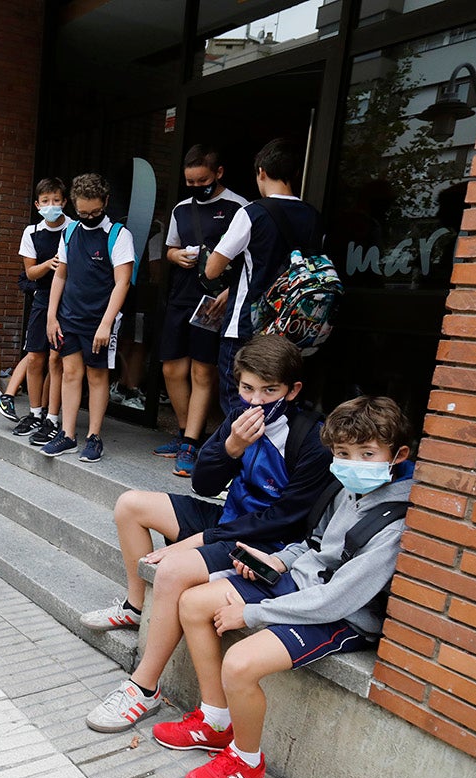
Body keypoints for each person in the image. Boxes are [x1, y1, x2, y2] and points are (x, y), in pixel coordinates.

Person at [155, 396, 413, 778]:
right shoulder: (346, 489)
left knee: (240, 664)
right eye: (344, 453)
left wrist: (254, 612)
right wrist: (276, 560)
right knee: (192, 603)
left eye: (367, 453)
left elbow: (338, 599)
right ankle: (215, 719)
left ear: (397, 455)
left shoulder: (396, 521)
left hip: (343, 615)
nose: (354, 463)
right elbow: (314, 545)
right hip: (302, 584)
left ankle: (246, 761)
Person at [81, 335, 333, 733]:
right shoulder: (238, 418)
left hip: (265, 542)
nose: (257, 400)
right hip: (228, 518)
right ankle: (135, 607)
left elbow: (284, 521)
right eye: (248, 389)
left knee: (174, 569)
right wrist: (230, 446)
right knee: (130, 505)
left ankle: (144, 688)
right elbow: (201, 482)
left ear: (292, 390)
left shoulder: (311, 441)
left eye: (270, 391)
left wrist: (199, 540)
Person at [205, 138, 322, 414]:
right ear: (294, 174)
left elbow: (212, 269)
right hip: (291, 327)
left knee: (240, 404)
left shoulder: (252, 213)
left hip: (247, 326)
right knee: (276, 406)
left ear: (261, 173)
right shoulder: (313, 216)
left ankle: (241, 457)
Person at [159, 145, 248, 477]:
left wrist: (230, 291)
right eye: (190, 181)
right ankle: (184, 432)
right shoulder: (182, 209)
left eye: (202, 180)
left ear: (219, 173)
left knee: (202, 371)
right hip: (181, 295)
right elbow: (169, 247)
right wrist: (175, 257)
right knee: (171, 368)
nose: (196, 186)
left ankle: (191, 443)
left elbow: (248, 261)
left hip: (214, 299)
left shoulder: (239, 207)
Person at [43, 173, 135, 463]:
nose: (89, 217)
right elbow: (60, 274)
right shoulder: (69, 232)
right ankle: (68, 435)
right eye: (83, 213)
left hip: (99, 320)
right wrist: (51, 316)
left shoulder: (119, 235)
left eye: (95, 212)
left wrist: (107, 323)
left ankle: (94, 437)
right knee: (70, 373)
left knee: (97, 376)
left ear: (106, 202)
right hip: (69, 316)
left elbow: (123, 282)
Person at [0, 177, 70, 439]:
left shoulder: (74, 228)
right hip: (42, 297)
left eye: (56, 200)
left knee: (57, 358)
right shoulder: (32, 232)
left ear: (64, 202)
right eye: (46, 201)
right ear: (38, 204)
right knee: (36, 357)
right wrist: (49, 264)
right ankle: (35, 413)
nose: (52, 205)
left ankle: (52, 417)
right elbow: (30, 273)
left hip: (68, 299)